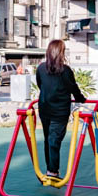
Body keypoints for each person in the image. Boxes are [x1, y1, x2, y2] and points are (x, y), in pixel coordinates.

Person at [35, 40, 87, 180]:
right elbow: (73, 88)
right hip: (59, 110)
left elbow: (41, 85)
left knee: (50, 139)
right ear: (61, 53)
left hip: (45, 107)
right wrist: (81, 98)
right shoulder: (65, 70)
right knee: (53, 140)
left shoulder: (41, 68)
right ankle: (52, 171)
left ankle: (51, 170)